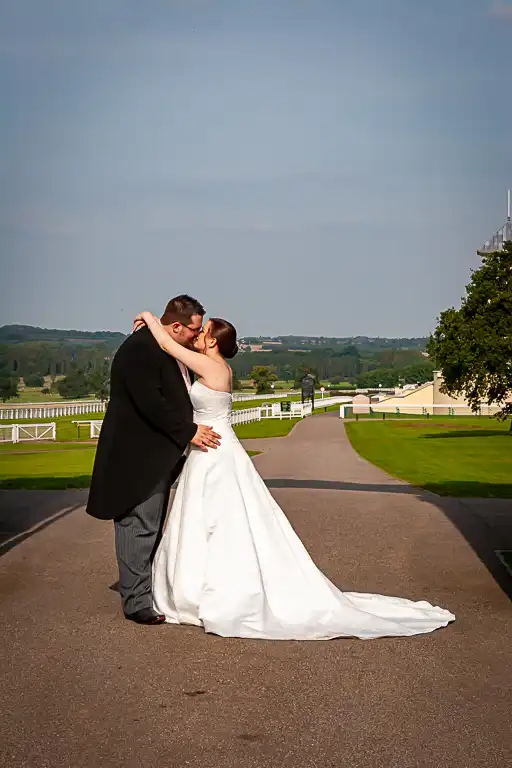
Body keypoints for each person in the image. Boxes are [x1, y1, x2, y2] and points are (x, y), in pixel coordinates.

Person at [133, 310, 455, 640]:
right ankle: (195, 589)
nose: (197, 335)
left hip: (214, 450)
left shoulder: (212, 367)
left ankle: (209, 591)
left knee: (220, 520)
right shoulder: (212, 366)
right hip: (209, 449)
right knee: (208, 519)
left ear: (213, 340)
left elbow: (168, 346)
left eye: (203, 332)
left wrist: (149, 316)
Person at [86, 295, 221, 625]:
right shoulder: (140, 350)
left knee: (150, 525)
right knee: (139, 525)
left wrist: (147, 316)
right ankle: (136, 602)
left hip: (155, 455)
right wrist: (187, 430)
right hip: (137, 457)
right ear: (176, 326)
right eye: (194, 329)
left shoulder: (160, 343)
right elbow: (150, 401)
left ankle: (144, 590)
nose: (196, 335)